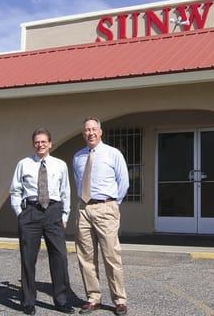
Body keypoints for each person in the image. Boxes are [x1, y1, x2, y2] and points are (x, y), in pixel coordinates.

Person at [10, 127, 75, 315]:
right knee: (28, 259)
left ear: (50, 144)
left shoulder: (60, 165)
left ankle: (61, 300)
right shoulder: (23, 164)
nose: (40, 145)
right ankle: (28, 301)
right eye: (37, 142)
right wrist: (20, 214)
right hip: (30, 212)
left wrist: (65, 216)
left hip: (54, 212)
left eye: (43, 141)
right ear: (33, 144)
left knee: (60, 257)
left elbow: (66, 192)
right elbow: (15, 190)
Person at [73, 117, 129, 315]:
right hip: (84, 209)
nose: (91, 132)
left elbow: (124, 182)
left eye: (94, 129)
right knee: (86, 256)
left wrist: (113, 205)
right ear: (83, 133)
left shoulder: (113, 154)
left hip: (106, 208)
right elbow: (78, 181)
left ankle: (119, 300)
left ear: (101, 131)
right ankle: (93, 297)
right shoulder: (78, 156)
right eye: (87, 129)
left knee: (111, 256)